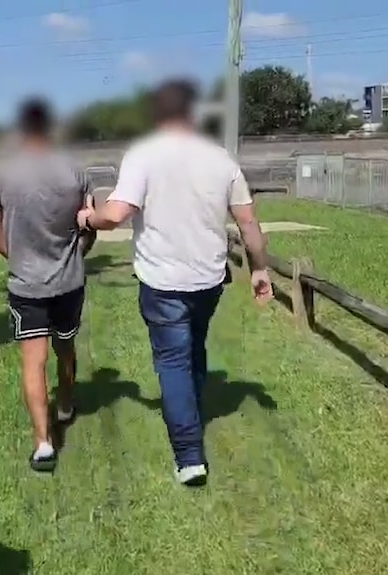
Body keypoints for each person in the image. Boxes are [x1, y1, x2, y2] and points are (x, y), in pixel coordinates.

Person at [76, 79, 272, 486]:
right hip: (208, 278)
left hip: (163, 279)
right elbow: (248, 221)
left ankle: (188, 455)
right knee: (192, 347)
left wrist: (87, 218)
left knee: (172, 361)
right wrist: (259, 268)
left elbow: (115, 214)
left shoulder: (143, 156)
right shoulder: (221, 159)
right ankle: (191, 410)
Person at [0, 97, 95, 472]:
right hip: (69, 281)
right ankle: (65, 404)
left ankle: (43, 443)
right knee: (66, 349)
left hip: (25, 284)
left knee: (34, 362)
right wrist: (75, 255)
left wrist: (18, 260)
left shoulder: (3, 174)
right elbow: (89, 227)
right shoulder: (76, 172)